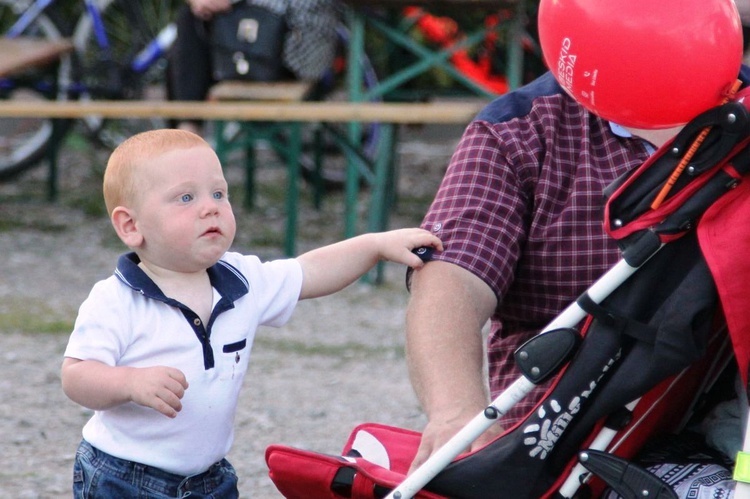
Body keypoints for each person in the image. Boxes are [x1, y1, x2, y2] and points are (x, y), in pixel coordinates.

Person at [404, 0, 745, 474]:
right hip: (562, 438)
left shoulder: (741, 113)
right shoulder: (518, 132)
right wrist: (456, 412)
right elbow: (452, 278)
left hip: (723, 416)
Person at [60, 128, 442, 497]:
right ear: (131, 225)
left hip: (208, 476)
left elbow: (310, 272)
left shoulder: (241, 279)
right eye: (186, 198)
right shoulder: (116, 300)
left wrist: (375, 245)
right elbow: (76, 376)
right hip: (125, 475)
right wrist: (128, 383)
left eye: (218, 193)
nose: (211, 207)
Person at [167, 0, 338, 134]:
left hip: (297, 51)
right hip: (282, 44)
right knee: (191, 30)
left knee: (192, 24)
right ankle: (187, 134)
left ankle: (187, 135)